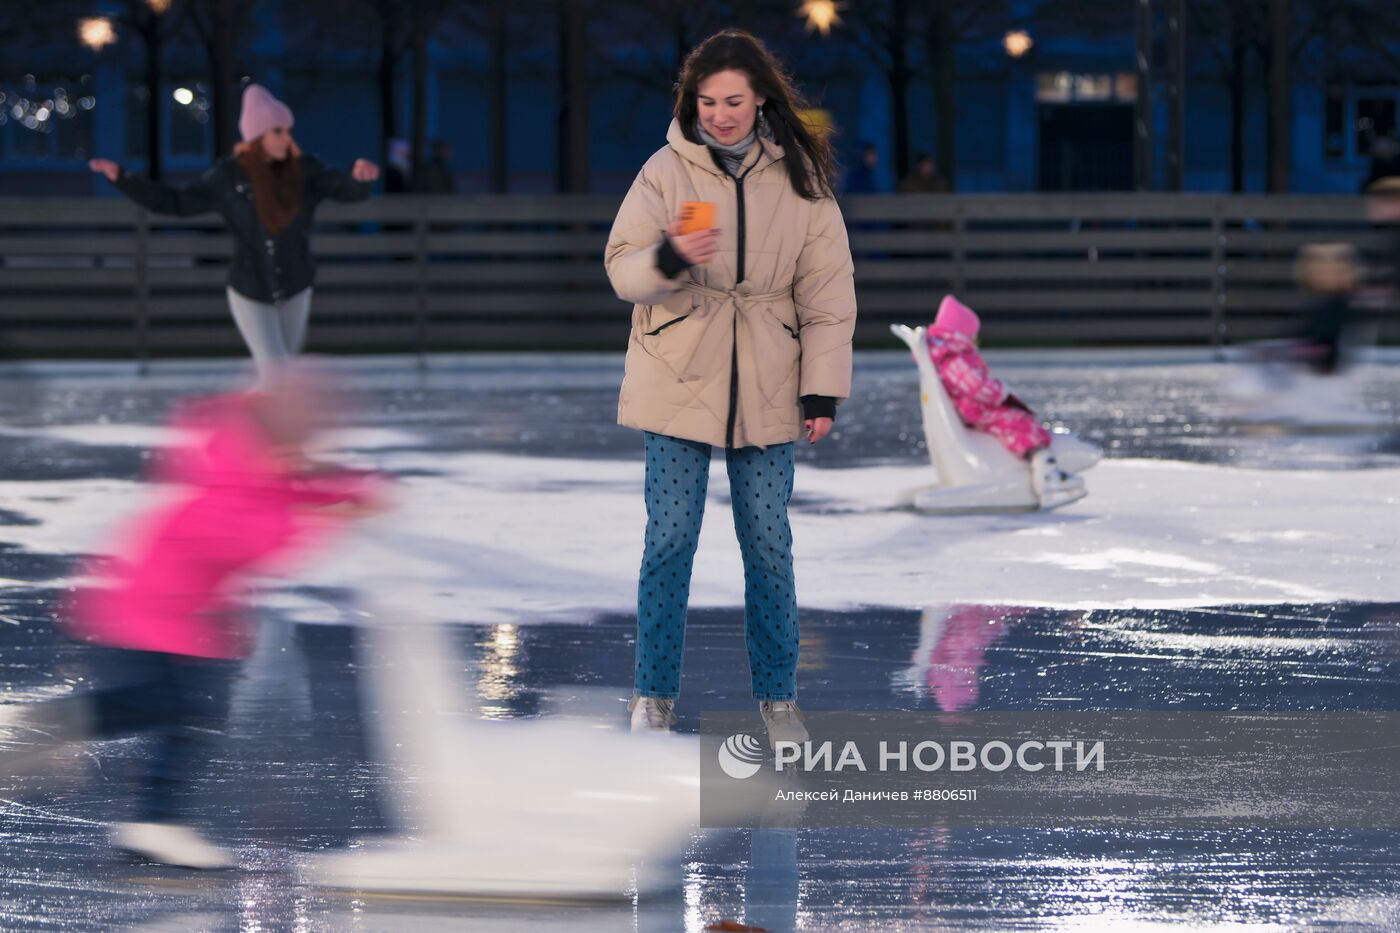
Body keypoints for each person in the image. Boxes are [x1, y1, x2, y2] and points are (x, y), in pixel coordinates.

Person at [1, 366, 386, 869]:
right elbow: (255, 536)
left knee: (187, 714)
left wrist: (342, 489)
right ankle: (45, 729)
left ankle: (152, 822)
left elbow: (283, 489)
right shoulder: (236, 475)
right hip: (148, 610)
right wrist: (327, 511)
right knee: (165, 706)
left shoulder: (247, 459)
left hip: (180, 612)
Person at [604, 29, 857, 748]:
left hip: (770, 377)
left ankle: (778, 700)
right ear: (692, 103)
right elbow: (623, 268)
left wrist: (821, 390)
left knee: (768, 542)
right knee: (671, 536)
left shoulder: (801, 179)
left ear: (760, 100)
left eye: (734, 101)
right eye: (708, 101)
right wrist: (671, 255)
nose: (720, 114)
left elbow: (829, 293)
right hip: (678, 368)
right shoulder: (664, 172)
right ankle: (653, 696)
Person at [88, 84, 380, 382]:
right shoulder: (228, 177)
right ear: (257, 136)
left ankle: (252, 419)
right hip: (250, 290)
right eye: (277, 131)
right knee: (277, 375)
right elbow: (175, 202)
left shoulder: (304, 170)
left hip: (296, 285)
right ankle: (250, 423)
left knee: (283, 377)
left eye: (287, 130)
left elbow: (344, 189)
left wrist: (360, 179)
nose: (286, 137)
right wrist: (123, 179)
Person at [924, 295, 1074, 500]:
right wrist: (999, 391)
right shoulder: (954, 359)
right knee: (1018, 423)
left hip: (973, 407)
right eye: (974, 336)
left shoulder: (950, 356)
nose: (976, 341)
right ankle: (1045, 470)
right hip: (976, 409)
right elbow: (975, 386)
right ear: (962, 333)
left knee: (1017, 418)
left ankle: (1042, 465)